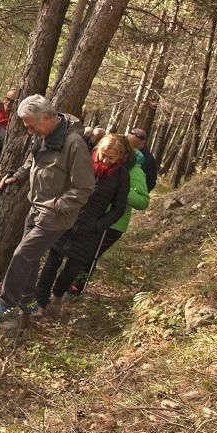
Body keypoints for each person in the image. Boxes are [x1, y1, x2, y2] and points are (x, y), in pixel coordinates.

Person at [0, 94, 95, 323]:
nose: (28, 130)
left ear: (46, 118)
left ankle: (7, 303)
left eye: (31, 125)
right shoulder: (43, 135)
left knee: (22, 254)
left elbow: (84, 188)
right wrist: (18, 176)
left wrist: (56, 205)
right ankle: (27, 298)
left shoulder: (73, 143)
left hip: (55, 215)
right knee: (31, 257)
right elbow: (32, 160)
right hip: (35, 207)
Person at [31, 134, 131, 316]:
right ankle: (39, 302)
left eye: (111, 157)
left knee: (73, 269)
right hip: (65, 219)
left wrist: (99, 225)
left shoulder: (121, 176)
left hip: (90, 229)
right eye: (103, 154)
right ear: (97, 149)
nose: (105, 160)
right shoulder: (83, 162)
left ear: (119, 157)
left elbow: (119, 208)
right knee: (52, 262)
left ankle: (58, 295)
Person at [71, 144, 150, 296]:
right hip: (90, 216)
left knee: (90, 254)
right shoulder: (103, 164)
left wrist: (123, 191)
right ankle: (65, 282)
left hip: (114, 224)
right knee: (77, 250)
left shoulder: (136, 172)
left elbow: (143, 202)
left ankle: (76, 286)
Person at [126, 127, 158, 191]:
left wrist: (135, 191)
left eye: (134, 146)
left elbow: (150, 183)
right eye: (128, 144)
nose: (130, 148)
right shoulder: (120, 150)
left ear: (142, 143)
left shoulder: (149, 160)